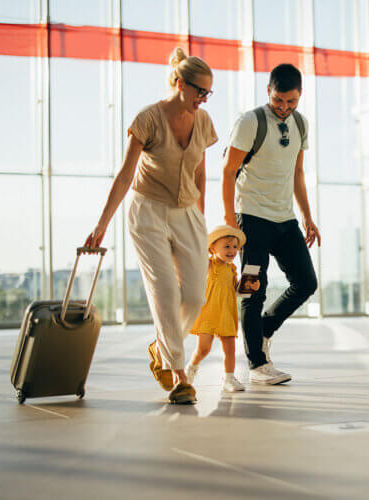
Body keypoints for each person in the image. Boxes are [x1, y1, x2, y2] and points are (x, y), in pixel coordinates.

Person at [84, 47, 218, 404]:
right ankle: (178, 376)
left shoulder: (203, 122)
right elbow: (126, 173)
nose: (203, 99)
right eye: (199, 91)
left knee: (194, 295)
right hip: (148, 212)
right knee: (165, 293)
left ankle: (162, 348)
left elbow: (201, 173)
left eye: (208, 93)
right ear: (179, 83)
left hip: (188, 213)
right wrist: (102, 225)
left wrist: (202, 220)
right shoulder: (148, 118)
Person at [221, 63, 321, 385]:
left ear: (300, 96)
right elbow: (227, 171)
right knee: (253, 289)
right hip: (250, 216)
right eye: (279, 100)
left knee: (306, 282)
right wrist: (229, 220)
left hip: (284, 217)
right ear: (268, 91)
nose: (284, 107)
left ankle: (262, 330)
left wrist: (307, 216)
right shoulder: (250, 122)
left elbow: (298, 174)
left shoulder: (301, 124)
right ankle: (257, 364)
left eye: (291, 102)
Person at [185, 225, 259, 392]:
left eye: (234, 247)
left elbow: (237, 290)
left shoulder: (232, 268)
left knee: (230, 348)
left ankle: (229, 378)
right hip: (209, 313)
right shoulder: (209, 265)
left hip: (226, 312)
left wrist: (250, 285)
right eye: (226, 246)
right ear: (212, 248)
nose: (232, 250)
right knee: (204, 348)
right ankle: (192, 367)